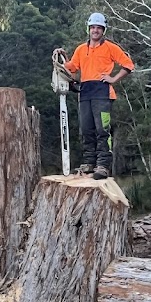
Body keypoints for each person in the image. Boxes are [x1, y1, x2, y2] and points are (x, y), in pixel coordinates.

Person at [53, 12, 134, 180]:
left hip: (102, 93)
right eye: (93, 27)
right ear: (88, 29)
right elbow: (72, 68)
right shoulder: (81, 49)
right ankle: (89, 162)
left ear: (103, 30)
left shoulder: (110, 47)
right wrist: (62, 56)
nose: (95, 30)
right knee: (86, 129)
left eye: (99, 28)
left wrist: (113, 79)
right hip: (85, 93)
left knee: (102, 130)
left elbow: (128, 64)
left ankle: (103, 165)